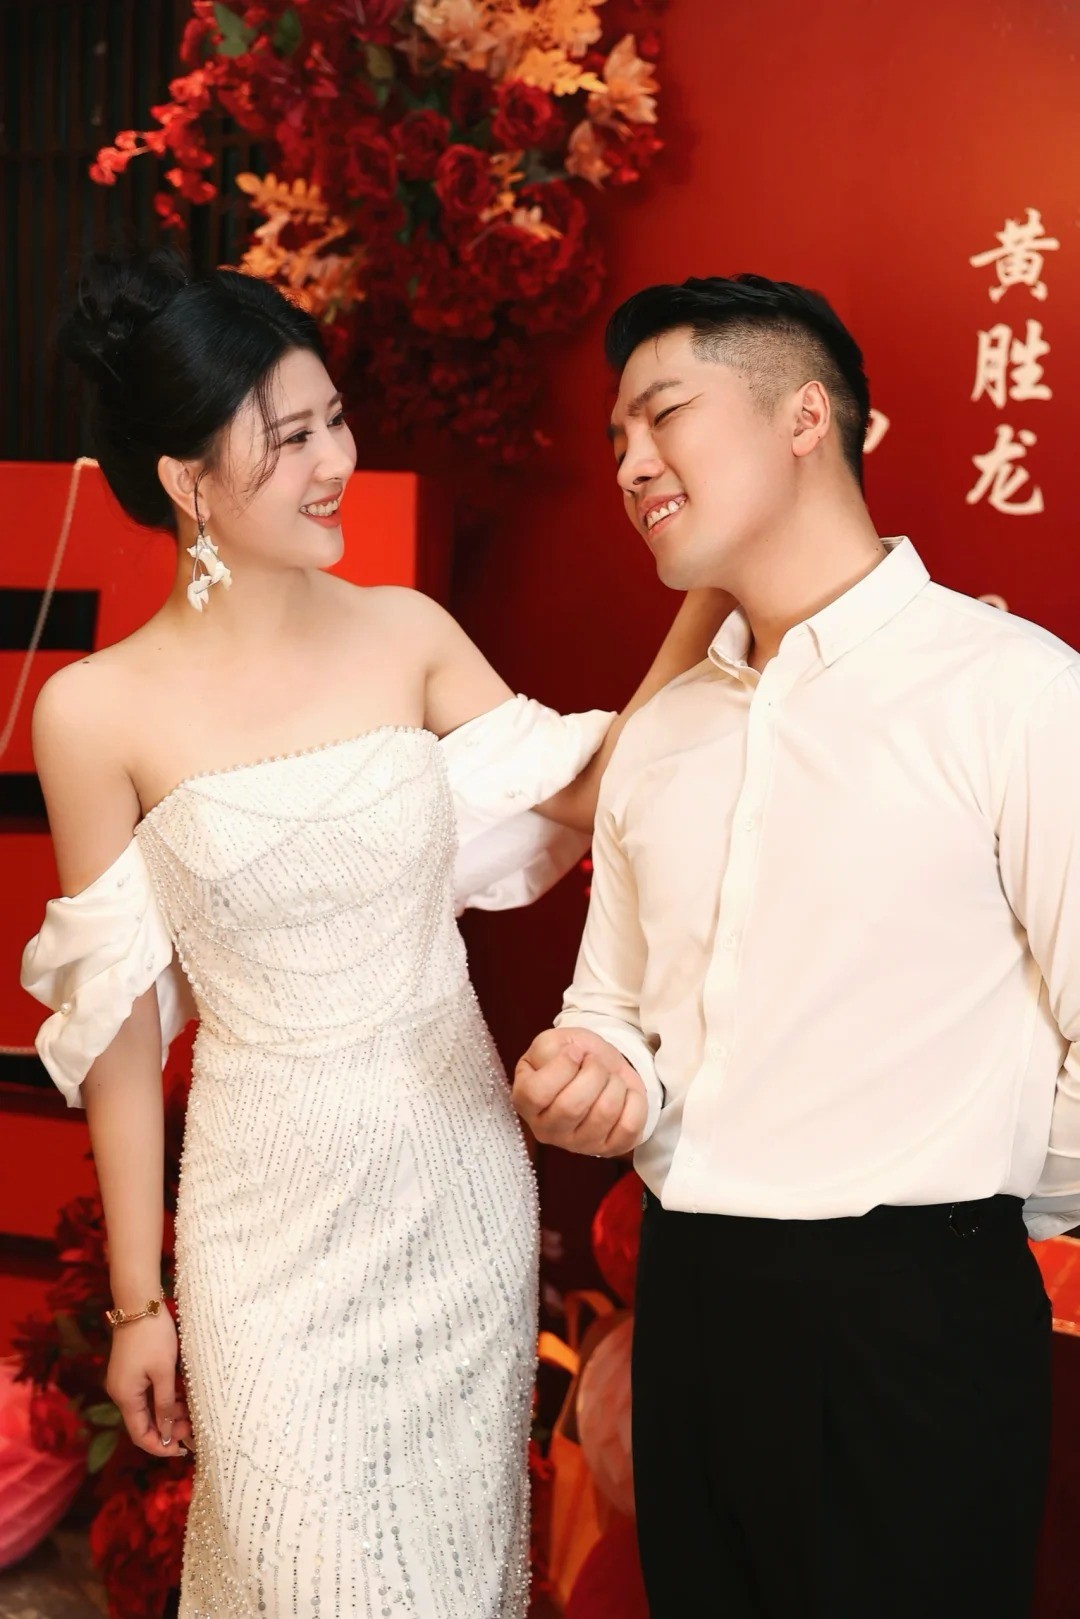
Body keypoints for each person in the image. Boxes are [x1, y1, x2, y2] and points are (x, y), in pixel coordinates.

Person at [19, 251, 731, 1619]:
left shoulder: (407, 632)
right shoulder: (92, 712)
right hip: (264, 1220)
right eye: (290, 438)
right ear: (185, 480)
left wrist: (716, 580)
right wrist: (137, 1301)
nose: (336, 461)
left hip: (453, 1187)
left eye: (335, 419)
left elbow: (592, 792)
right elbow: (113, 1025)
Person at [513, 274, 1080, 1619]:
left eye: (663, 415)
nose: (632, 464)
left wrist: (977, 1204)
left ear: (805, 417)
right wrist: (594, 1073)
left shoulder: (1016, 692)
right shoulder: (664, 735)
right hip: (692, 1310)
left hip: (916, 1324)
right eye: (616, 439)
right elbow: (614, 1009)